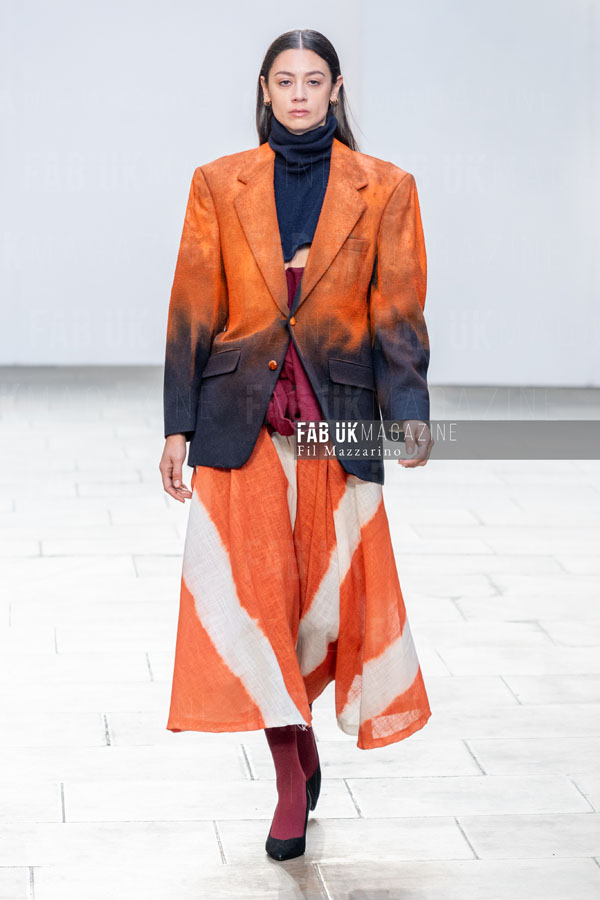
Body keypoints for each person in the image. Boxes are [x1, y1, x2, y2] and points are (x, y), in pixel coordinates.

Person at [159, 28, 434, 862]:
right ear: (266, 89)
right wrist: (176, 425)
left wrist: (410, 409)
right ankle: (288, 776)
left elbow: (398, 312)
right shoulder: (218, 183)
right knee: (255, 604)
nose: (301, 95)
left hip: (334, 423)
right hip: (239, 420)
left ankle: (303, 738)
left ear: (337, 89)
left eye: (315, 81)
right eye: (287, 81)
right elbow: (192, 307)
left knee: (323, 608)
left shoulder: (385, 187)